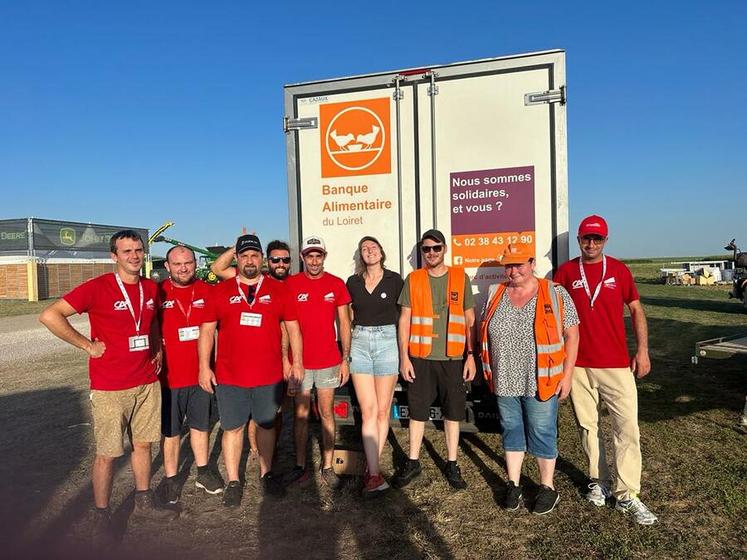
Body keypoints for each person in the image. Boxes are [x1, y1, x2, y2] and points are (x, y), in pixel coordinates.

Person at [39, 230, 176, 542]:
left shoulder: (151, 287)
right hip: (110, 387)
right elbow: (50, 315)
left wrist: (157, 347)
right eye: (127, 251)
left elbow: (152, 321)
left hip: (145, 382)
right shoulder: (98, 288)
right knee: (108, 454)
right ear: (114, 256)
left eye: (138, 250)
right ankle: (100, 515)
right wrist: (87, 345)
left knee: (143, 445)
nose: (134, 256)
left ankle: (143, 501)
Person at [554, 215, 658, 525]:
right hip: (579, 365)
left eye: (597, 239)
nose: (591, 244)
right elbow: (554, 313)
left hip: (616, 365)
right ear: (579, 240)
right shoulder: (566, 272)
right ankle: (597, 482)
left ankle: (626, 493)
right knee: (588, 427)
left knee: (626, 429)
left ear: (605, 241)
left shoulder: (619, 270)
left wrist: (642, 350)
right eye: (586, 238)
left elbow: (636, 309)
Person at [198, 234, 304, 507]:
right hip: (230, 375)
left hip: (268, 376)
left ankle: (267, 474)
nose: (249, 260)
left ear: (261, 259)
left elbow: (293, 328)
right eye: (244, 256)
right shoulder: (219, 291)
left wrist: (297, 363)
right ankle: (234, 480)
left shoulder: (278, 290)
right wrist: (203, 366)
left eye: (254, 255)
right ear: (237, 259)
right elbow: (207, 331)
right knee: (233, 428)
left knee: (266, 426)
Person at [479, 243, 579, 514]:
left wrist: (567, 375)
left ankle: (547, 487)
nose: (513, 271)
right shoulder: (495, 292)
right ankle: (513, 484)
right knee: (511, 430)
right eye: (508, 265)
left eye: (519, 264)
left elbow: (572, 335)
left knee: (542, 431)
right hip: (504, 379)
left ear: (532, 263)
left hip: (541, 379)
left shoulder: (555, 292)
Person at [393, 229, 476, 490]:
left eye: (436, 248)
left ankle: (452, 463)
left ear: (444, 249)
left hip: (452, 357)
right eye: (426, 249)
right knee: (417, 412)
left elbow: (470, 319)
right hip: (421, 357)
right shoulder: (414, 279)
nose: (431, 253)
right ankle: (413, 461)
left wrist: (471, 355)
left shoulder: (460, 277)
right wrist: (404, 357)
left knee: (453, 413)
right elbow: (404, 320)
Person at [211, 240, 292, 457]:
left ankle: (268, 457)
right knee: (238, 423)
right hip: (235, 370)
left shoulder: (284, 287)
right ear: (270, 261)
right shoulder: (235, 280)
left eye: (285, 259)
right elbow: (216, 268)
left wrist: (287, 359)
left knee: (272, 416)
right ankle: (254, 450)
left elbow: (286, 327)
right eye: (276, 259)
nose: (280, 263)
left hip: (272, 363)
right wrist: (236, 248)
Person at [157, 245, 223, 504]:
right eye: (177, 264)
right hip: (169, 378)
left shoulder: (209, 291)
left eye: (188, 263)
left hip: (201, 375)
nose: (183, 268)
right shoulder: (157, 292)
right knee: (171, 432)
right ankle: (172, 479)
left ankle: (203, 472)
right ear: (167, 266)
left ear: (196, 263)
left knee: (200, 426)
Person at [284, 235, 352, 489]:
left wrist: (345, 359)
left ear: (325, 256)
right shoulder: (290, 284)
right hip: (299, 363)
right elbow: (284, 326)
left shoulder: (336, 284)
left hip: (328, 361)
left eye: (318, 255)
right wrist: (286, 361)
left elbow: (344, 324)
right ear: (302, 258)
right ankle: (300, 466)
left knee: (326, 412)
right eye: (309, 256)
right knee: (300, 415)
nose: (314, 261)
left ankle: (327, 465)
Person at [346, 236, 403, 497]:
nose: (369, 251)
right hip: (360, 342)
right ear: (361, 255)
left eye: (373, 247)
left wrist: (404, 351)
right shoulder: (353, 282)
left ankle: (372, 470)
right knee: (368, 412)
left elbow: (404, 318)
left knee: (382, 411)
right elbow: (347, 315)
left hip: (387, 341)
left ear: (381, 252)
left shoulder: (394, 280)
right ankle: (374, 473)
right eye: (364, 249)